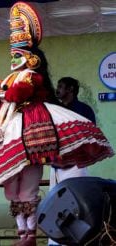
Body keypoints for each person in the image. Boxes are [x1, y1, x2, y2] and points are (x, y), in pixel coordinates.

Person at [0, 2, 114, 246]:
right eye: (12, 54)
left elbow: (19, 94)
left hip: (31, 136)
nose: (13, 58)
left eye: (17, 54)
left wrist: (0, 92)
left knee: (28, 187)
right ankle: (23, 233)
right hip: (8, 134)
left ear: (31, 57)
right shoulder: (10, 78)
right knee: (13, 190)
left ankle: (30, 235)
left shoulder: (31, 76)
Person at [47, 77, 97, 246]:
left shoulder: (83, 110)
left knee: (75, 205)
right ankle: (55, 242)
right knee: (53, 205)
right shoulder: (56, 110)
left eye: (61, 87)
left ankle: (76, 241)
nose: (58, 89)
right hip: (55, 166)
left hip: (74, 166)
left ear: (71, 90)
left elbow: (89, 138)